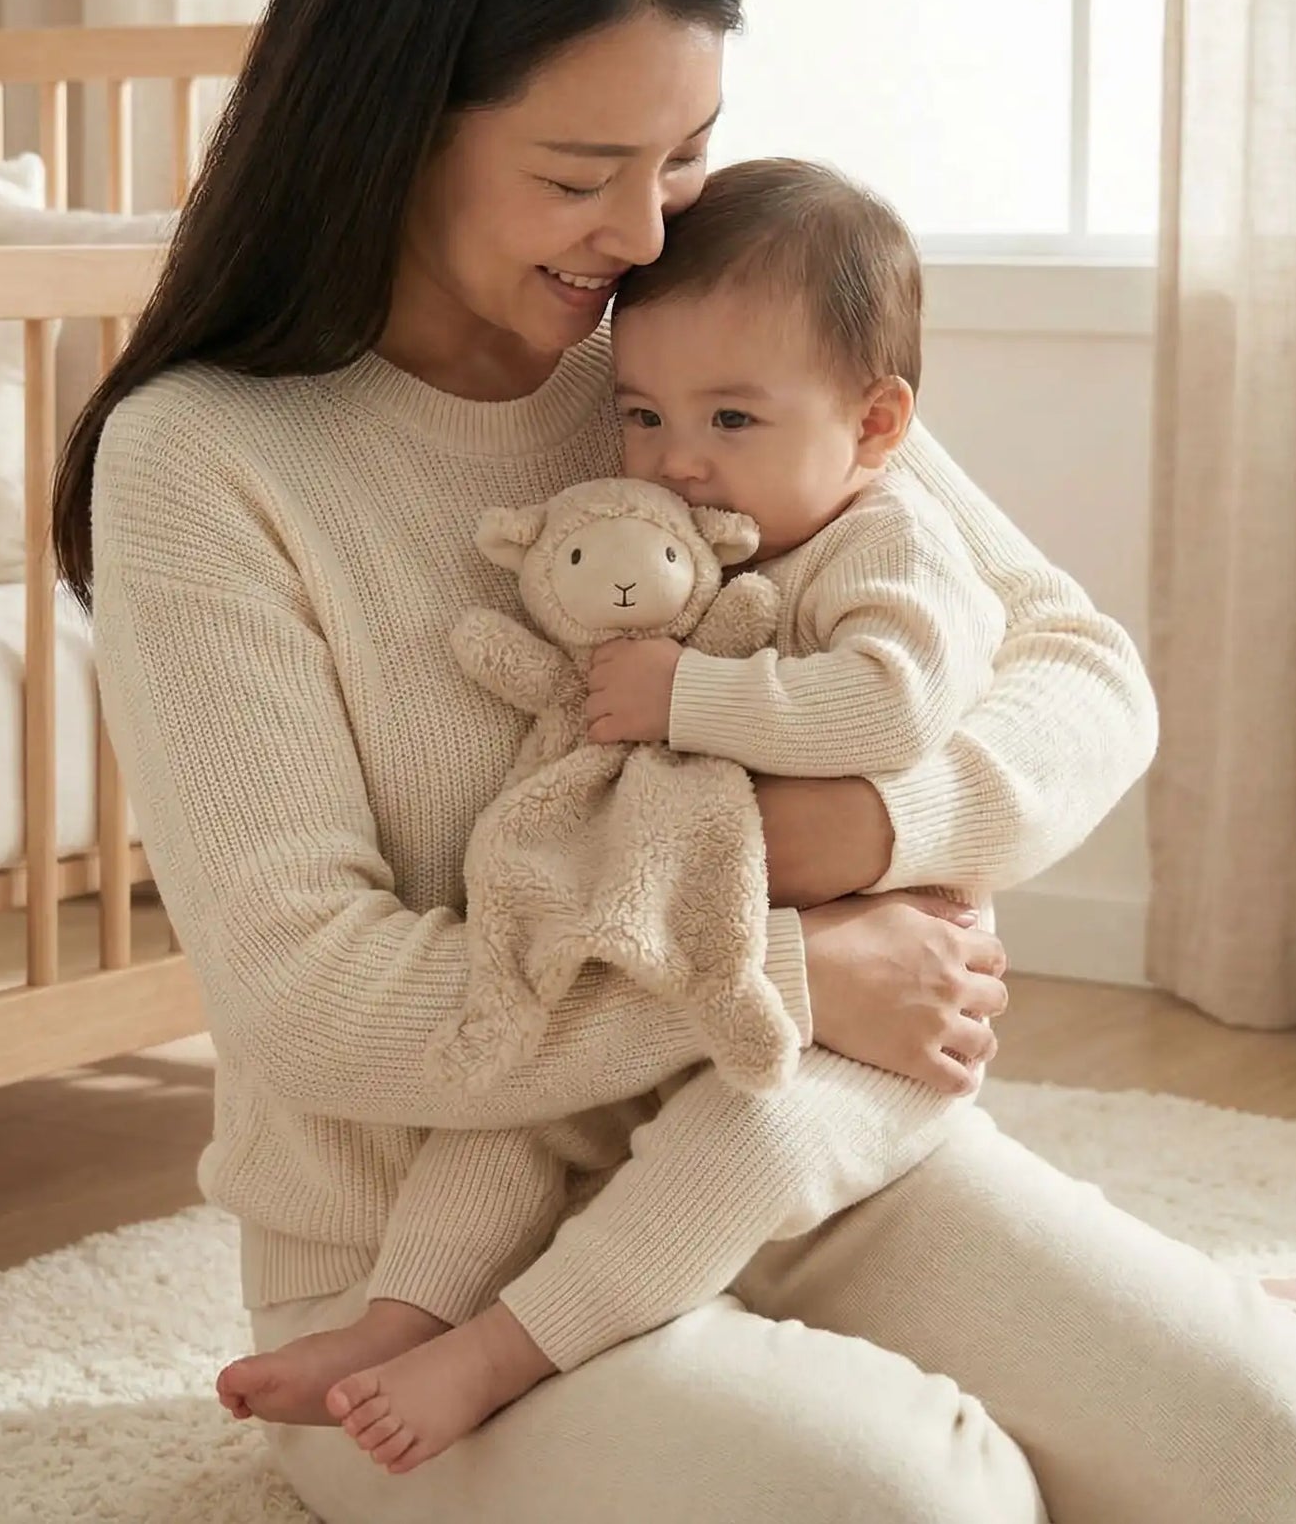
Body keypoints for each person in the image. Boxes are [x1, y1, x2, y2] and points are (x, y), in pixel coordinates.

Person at [56, 0, 1296, 1524]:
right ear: (392, 118)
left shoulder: (694, 351)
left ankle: (1169, 1350)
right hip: (425, 1272)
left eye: (682, 155)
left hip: (808, 1158)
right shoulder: (210, 458)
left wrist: (868, 833)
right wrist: (788, 968)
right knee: (929, 1506)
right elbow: (316, 1001)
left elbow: (1076, 667)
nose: (639, 233)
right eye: (578, 173)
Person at [216, 158, 1011, 1472]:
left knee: (725, 1156)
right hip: (687, 971)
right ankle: (397, 1315)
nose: (676, 459)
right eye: (641, 413)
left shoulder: (893, 543)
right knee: (515, 1112)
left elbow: (887, 704)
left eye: (731, 421)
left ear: (875, 427)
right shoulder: (714, 529)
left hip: (840, 1043)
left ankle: (501, 1348)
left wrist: (688, 694)